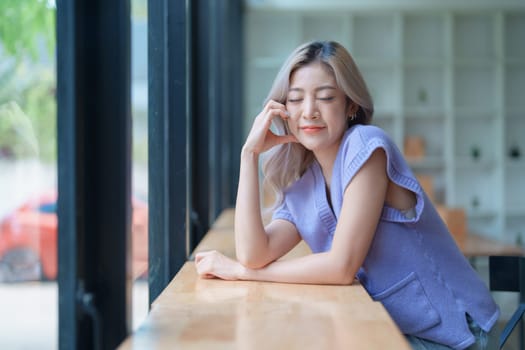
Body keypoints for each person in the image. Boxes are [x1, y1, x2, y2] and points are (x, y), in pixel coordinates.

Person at [195, 41, 500, 350]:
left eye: (325, 97)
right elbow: (253, 254)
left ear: (351, 105)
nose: (309, 111)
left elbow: (340, 267)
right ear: (283, 110)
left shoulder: (366, 147)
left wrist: (242, 274)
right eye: (296, 99)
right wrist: (249, 155)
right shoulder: (304, 185)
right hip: (389, 325)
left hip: (451, 333)